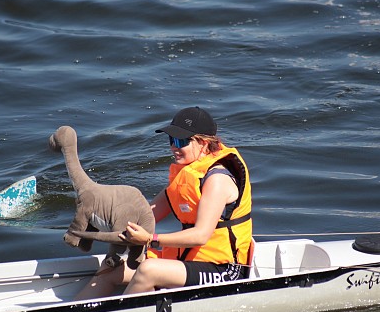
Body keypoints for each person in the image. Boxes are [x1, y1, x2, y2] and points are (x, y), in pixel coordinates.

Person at [75, 106, 253, 299]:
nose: (174, 147)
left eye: (181, 141)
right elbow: (146, 216)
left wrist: (150, 239)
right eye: (171, 140)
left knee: (149, 269)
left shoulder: (217, 180)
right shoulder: (185, 177)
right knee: (111, 269)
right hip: (190, 261)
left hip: (225, 271)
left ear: (203, 143)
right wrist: (97, 222)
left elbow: (201, 236)